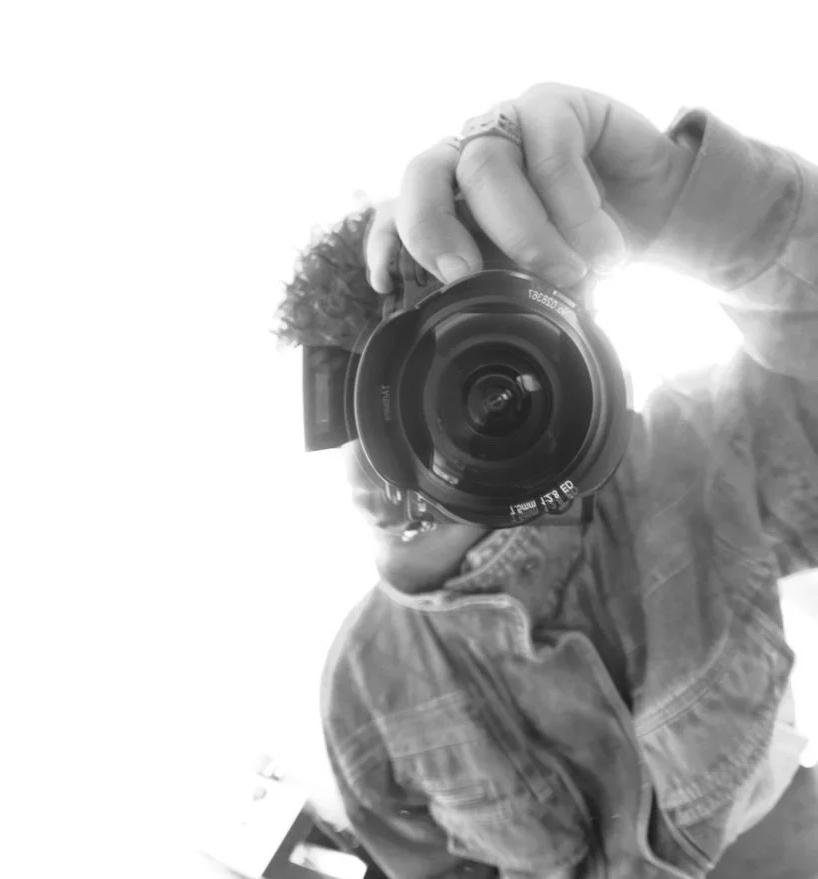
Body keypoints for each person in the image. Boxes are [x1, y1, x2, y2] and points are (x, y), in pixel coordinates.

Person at [272, 82, 817, 878]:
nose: (372, 465)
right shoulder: (360, 690)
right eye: (352, 403)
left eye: (421, 406)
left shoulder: (692, 458)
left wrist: (677, 199)